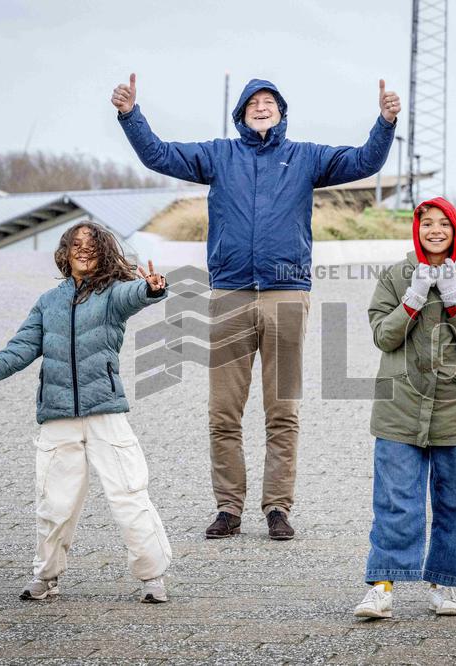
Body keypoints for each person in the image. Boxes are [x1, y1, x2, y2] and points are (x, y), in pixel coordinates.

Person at [111, 73, 400, 540]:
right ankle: (228, 507)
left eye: (270, 102)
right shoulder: (218, 156)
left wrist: (385, 122)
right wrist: (130, 115)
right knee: (223, 412)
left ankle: (277, 508)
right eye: (253, 102)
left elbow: (364, 161)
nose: (261, 107)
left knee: (282, 410)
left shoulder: (306, 157)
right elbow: (159, 154)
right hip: (230, 295)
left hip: (288, 294)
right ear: (241, 113)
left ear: (282, 113)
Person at [0, 222, 173, 603]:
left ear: (103, 253)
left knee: (129, 494)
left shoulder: (114, 294)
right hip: (58, 416)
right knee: (54, 502)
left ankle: (153, 578)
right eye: (76, 245)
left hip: (105, 412)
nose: (84, 251)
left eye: (92, 245)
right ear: (65, 253)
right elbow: (23, 344)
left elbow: (136, 295)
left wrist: (152, 288)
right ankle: (46, 577)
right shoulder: (48, 301)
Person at [353, 197, 456, 619]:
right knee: (396, 501)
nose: (435, 230)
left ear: (455, 231)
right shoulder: (396, 276)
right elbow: (383, 336)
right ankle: (381, 586)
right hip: (400, 407)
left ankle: (445, 585)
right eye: (426, 223)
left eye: (443, 225)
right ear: (416, 230)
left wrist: (454, 298)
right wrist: (413, 298)